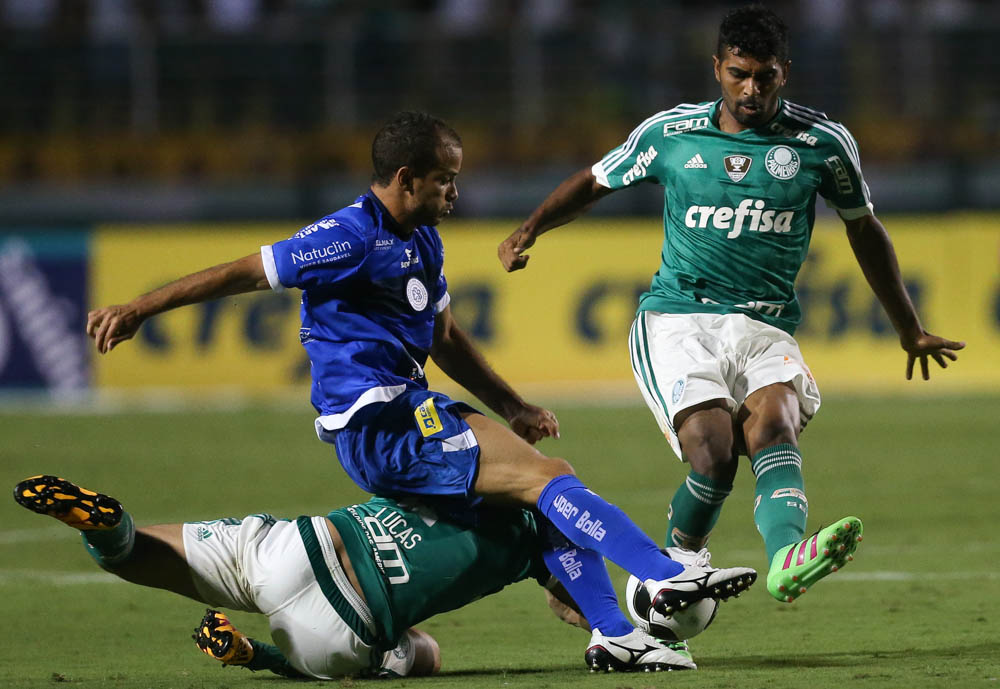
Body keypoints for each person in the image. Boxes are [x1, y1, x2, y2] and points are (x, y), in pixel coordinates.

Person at [85, 111, 757, 671]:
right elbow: (245, 271)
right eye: (445, 180)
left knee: (534, 517)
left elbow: (443, 337)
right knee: (549, 476)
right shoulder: (348, 235)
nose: (454, 192)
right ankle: (663, 571)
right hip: (379, 420)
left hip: (406, 412)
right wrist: (141, 308)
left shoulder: (423, 241)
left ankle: (615, 631)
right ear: (406, 179)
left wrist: (512, 404)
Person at [499, 4, 963, 610]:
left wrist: (910, 328)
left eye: (764, 76)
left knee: (776, 422)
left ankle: (786, 560)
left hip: (766, 322)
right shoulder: (671, 133)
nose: (750, 89)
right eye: (738, 74)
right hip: (677, 319)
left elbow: (863, 229)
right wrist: (529, 229)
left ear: (785, 72)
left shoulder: (821, 143)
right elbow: (595, 180)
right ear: (717, 67)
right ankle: (676, 567)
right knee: (714, 450)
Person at [13, 473, 698, 677]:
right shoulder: (538, 545)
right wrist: (605, 618)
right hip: (337, 628)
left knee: (141, 554)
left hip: (299, 545)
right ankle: (263, 656)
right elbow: (571, 564)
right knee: (417, 654)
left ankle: (103, 524)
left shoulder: (459, 468)